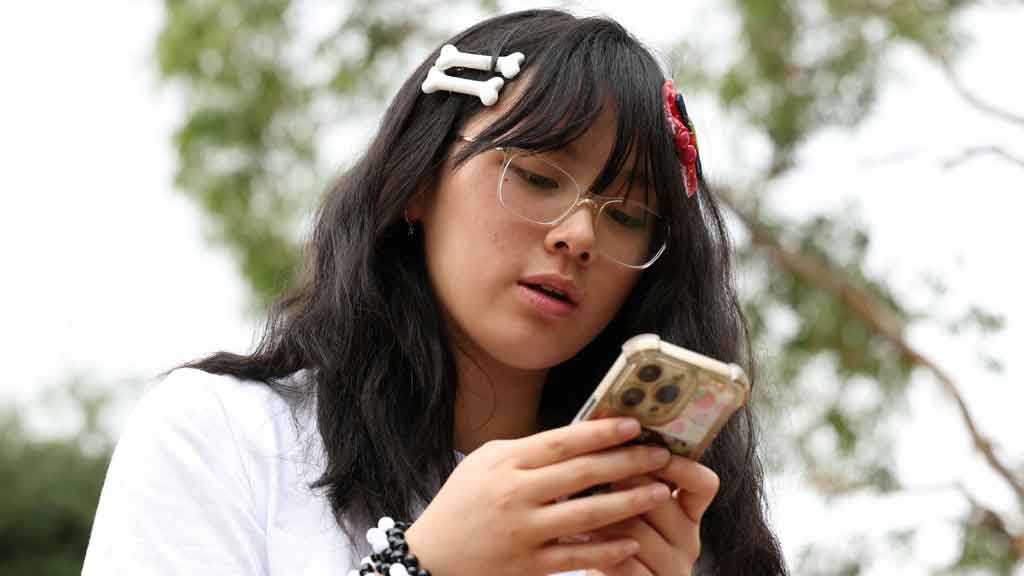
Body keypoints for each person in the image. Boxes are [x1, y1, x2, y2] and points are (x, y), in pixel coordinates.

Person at [83, 9, 786, 576]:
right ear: (419, 182)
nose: (579, 236)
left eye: (628, 216)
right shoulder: (223, 435)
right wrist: (419, 567)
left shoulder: (664, 531)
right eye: (537, 177)